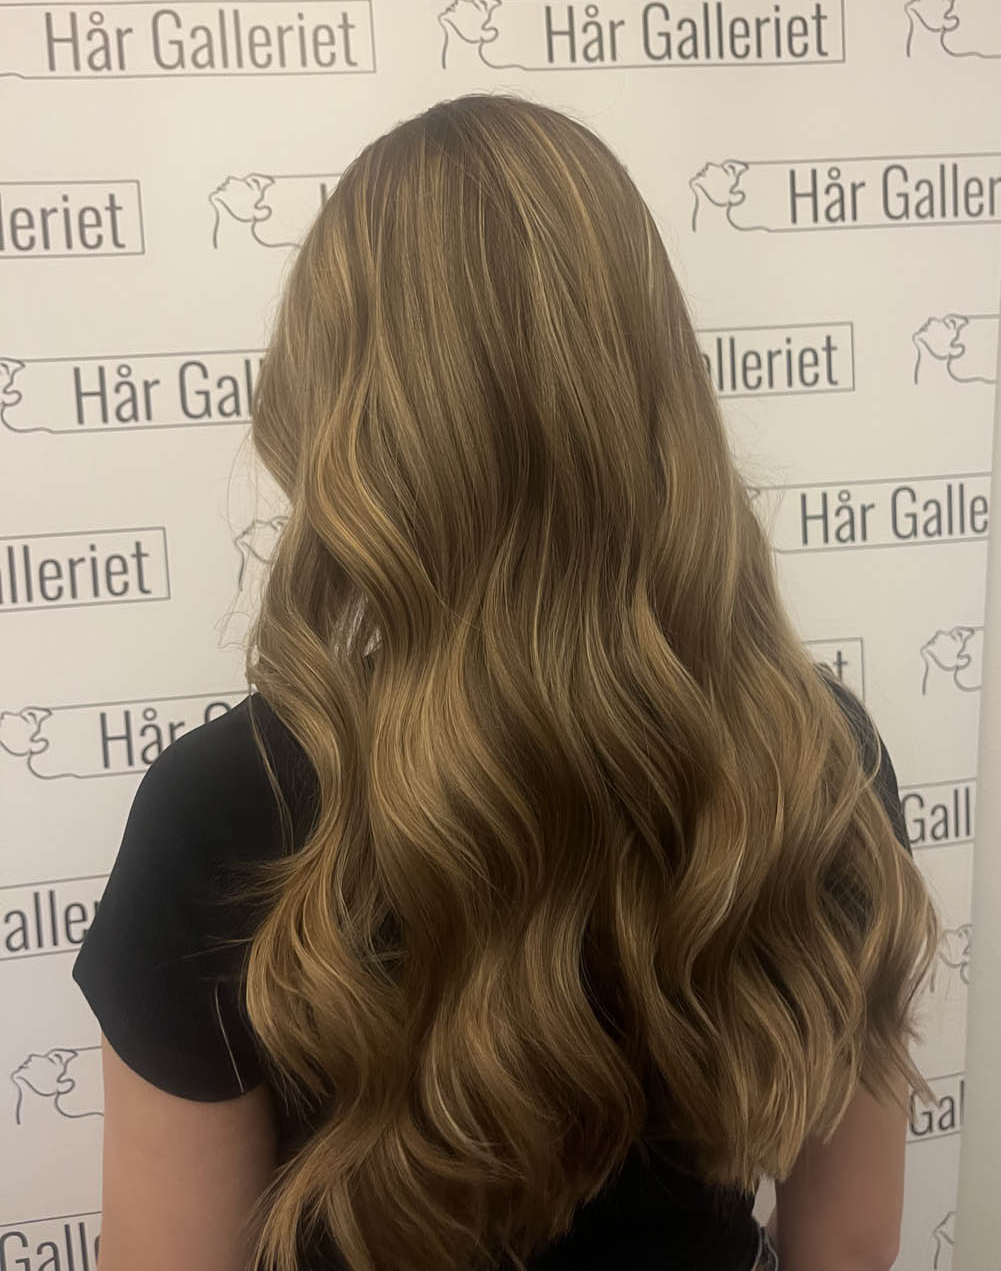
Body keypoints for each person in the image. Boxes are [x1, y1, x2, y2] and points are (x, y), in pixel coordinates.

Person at [72, 93, 940, 1271]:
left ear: (343, 412)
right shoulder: (814, 756)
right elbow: (850, 1245)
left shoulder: (223, 813)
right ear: (654, 382)